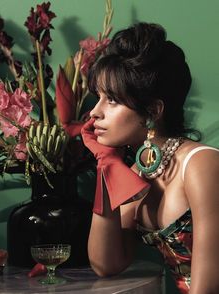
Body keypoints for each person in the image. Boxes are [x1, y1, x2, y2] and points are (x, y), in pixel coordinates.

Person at [81, 22, 219, 294]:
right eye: (98, 97)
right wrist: (106, 164)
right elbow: (106, 263)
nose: (94, 112)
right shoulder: (138, 172)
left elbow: (209, 286)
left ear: (153, 110)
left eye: (111, 100)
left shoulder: (201, 164)